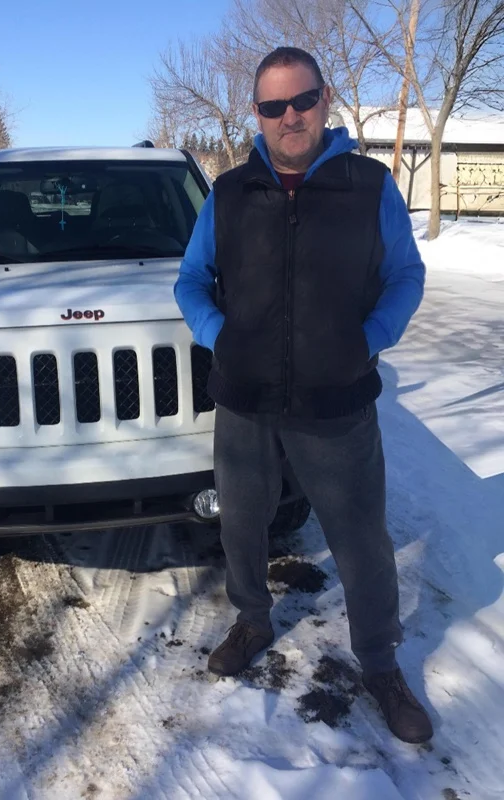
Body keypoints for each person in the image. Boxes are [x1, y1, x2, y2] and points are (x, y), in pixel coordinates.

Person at [174, 47, 432, 744]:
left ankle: (380, 663)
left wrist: (371, 336)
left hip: (336, 402)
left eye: (302, 100)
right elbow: (190, 281)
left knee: (361, 542)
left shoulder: (368, 186)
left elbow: (407, 274)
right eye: (272, 106)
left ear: (324, 100)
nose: (289, 117)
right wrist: (220, 336)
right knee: (243, 524)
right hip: (245, 401)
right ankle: (253, 619)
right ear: (255, 114)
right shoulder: (229, 195)